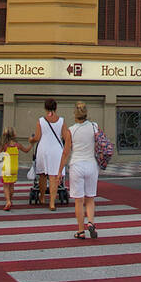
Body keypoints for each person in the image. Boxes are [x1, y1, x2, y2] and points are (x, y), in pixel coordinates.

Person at [61, 101, 100, 239]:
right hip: (91, 164)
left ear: (74, 114)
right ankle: (90, 222)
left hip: (77, 165)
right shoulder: (94, 126)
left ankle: (80, 230)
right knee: (90, 198)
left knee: (79, 200)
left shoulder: (71, 130)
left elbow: (66, 152)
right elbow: (100, 142)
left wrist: (60, 169)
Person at [30, 97, 71, 210]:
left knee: (42, 175)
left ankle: (42, 197)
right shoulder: (61, 121)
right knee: (54, 177)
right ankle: (52, 203)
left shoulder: (41, 121)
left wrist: (31, 140)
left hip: (43, 149)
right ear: (55, 107)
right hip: (56, 151)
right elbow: (66, 136)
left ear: (45, 107)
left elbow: (37, 137)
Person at [0, 127, 32, 211]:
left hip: (7, 167)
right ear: (14, 135)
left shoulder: (5, 146)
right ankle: (10, 200)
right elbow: (26, 150)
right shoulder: (17, 145)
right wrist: (32, 144)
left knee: (6, 186)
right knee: (11, 185)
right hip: (15, 168)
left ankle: (8, 201)